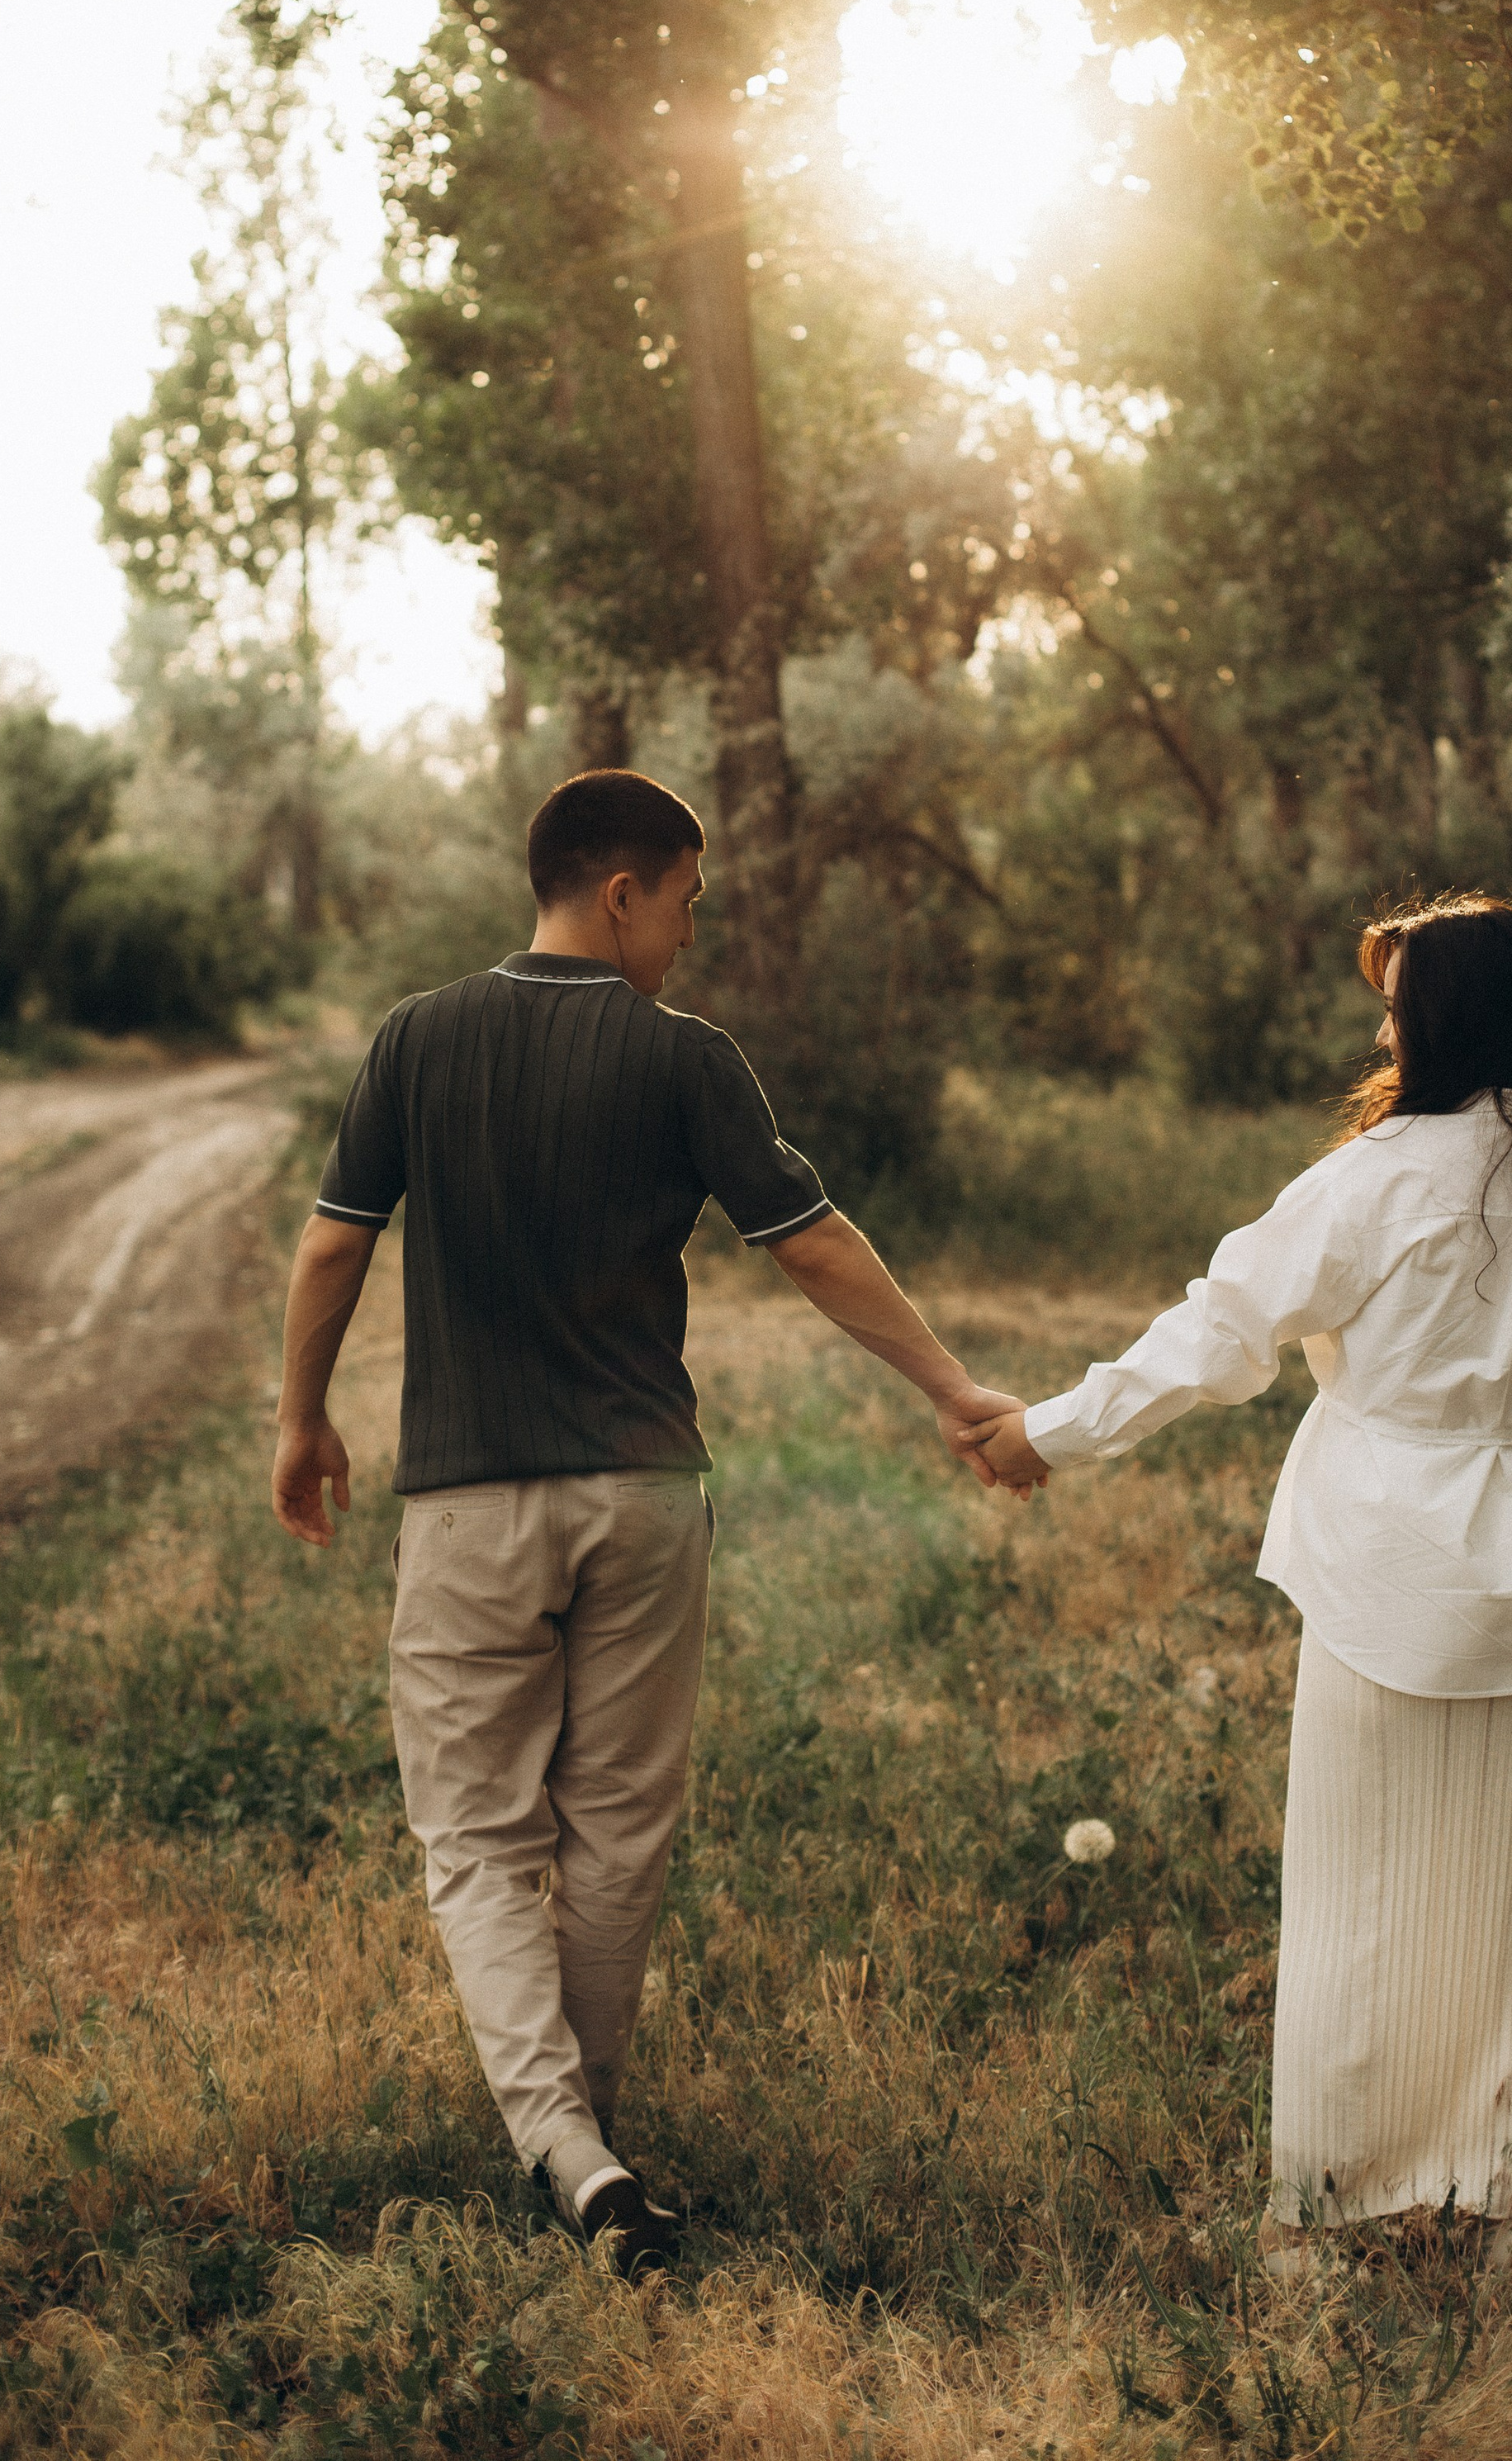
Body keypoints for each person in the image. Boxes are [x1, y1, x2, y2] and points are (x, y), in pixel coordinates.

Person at [269, 768, 1023, 2277]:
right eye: (685, 902)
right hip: (643, 1498)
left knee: (479, 1841)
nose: (689, 932)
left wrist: (301, 1420)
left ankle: (563, 2151)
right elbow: (811, 1247)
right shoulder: (685, 1059)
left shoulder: (419, 1038)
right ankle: (589, 2151)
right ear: (620, 892)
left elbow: (332, 1252)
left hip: (471, 1502)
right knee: (615, 1834)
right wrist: (951, 1390)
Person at [968, 892, 1512, 2267]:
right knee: (1504, 1910)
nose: (1380, 1027)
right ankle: (1484, 2200)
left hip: (1385, 1575)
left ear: (1445, 1026)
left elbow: (1219, 1337)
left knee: (1359, 1897)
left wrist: (1049, 1434)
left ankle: (1322, 2207)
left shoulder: (1374, 1180)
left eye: (1395, 1004)